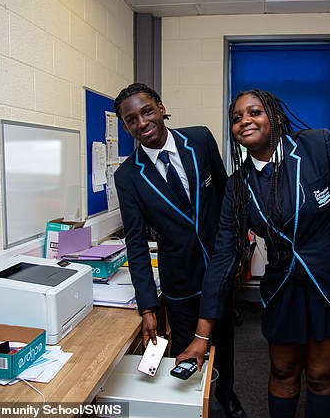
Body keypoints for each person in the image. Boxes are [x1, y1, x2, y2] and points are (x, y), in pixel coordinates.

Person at [176, 89, 330, 418]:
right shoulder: (237, 185)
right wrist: (201, 336)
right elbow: (222, 258)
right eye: (236, 118)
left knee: (320, 376)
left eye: (254, 112)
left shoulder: (320, 146)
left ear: (274, 117)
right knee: (283, 372)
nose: (245, 120)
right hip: (284, 288)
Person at [113, 83, 247, 418]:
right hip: (180, 279)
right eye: (131, 120)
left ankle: (227, 395)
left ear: (160, 106)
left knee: (224, 340)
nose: (141, 122)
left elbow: (227, 193)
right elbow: (136, 244)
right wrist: (147, 307)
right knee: (187, 348)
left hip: (219, 265)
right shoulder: (128, 176)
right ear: (127, 127)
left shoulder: (199, 140)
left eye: (146, 111)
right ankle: (191, 405)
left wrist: (237, 246)